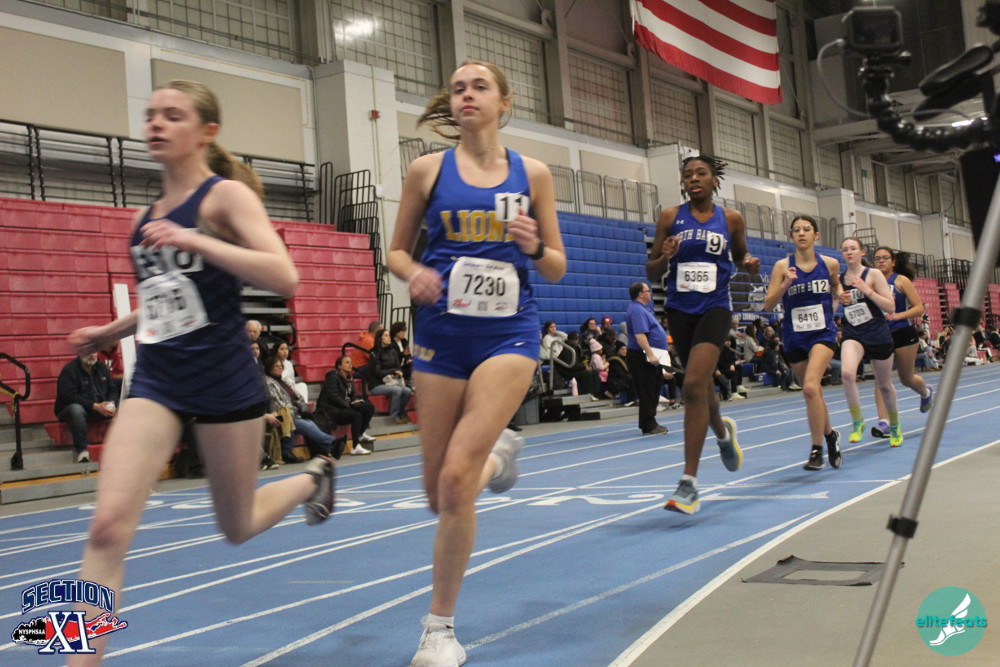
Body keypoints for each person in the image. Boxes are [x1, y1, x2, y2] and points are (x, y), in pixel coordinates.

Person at [64, 80, 334, 666]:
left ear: (207, 132)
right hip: (158, 381)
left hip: (224, 382)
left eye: (173, 115)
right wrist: (110, 332)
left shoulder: (225, 198)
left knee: (236, 526)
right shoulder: (144, 216)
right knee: (106, 528)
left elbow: (283, 276)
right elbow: (166, 297)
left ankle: (312, 477)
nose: (157, 124)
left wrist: (195, 239)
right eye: (151, 115)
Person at [386, 59, 566, 666]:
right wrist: (416, 273)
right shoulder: (427, 170)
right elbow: (395, 252)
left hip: (508, 335)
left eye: (480, 86)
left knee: (456, 481)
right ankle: (500, 455)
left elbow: (556, 266)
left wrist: (533, 246)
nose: (467, 94)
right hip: (441, 336)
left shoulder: (532, 173)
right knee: (439, 494)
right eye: (458, 88)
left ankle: (439, 630)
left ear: (503, 102)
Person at [646, 155, 758, 515]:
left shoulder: (731, 219)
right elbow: (652, 272)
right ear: (683, 183)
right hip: (680, 309)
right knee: (703, 385)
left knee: (693, 383)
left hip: (716, 307)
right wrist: (665, 256)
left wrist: (749, 263)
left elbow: (740, 256)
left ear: (714, 181)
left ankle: (689, 483)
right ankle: (723, 435)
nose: (694, 179)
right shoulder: (669, 217)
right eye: (688, 175)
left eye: (701, 173)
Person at [763, 215, 843, 470]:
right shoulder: (781, 267)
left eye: (806, 229)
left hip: (823, 334)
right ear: (791, 236)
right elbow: (768, 305)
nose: (801, 233)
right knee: (813, 393)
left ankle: (816, 450)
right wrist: (786, 283)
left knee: (809, 387)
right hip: (794, 336)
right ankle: (830, 435)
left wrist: (842, 296)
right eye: (796, 230)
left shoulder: (829, 264)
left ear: (815, 235)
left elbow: (836, 287)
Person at [837, 237, 902, 446]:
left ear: (862, 252)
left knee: (884, 385)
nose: (849, 252)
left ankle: (894, 425)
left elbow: (890, 307)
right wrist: (839, 300)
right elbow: (832, 307)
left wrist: (868, 291)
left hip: (876, 334)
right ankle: (858, 421)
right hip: (853, 333)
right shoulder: (839, 279)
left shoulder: (873, 274)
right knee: (847, 374)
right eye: (845, 249)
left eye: (853, 248)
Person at [870, 247, 933, 438]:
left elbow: (919, 308)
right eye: (877, 259)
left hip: (903, 333)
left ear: (893, 261)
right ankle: (884, 422)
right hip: (881, 335)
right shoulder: (870, 281)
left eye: (885, 258)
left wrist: (898, 315)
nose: (881, 261)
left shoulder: (900, 281)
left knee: (906, 378)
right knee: (881, 380)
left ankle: (925, 393)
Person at [263, 354, 342, 462]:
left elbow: (298, 396)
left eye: (281, 366)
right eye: (277, 366)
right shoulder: (268, 382)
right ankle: (332, 442)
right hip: (281, 414)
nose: (280, 368)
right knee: (304, 423)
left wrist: (302, 407)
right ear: (270, 368)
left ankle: (330, 447)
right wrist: (294, 410)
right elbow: (276, 402)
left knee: (310, 422)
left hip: (293, 413)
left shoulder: (284, 381)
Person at [54, 352, 119, 463]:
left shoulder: (102, 367)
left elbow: (112, 389)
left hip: (99, 408)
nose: (91, 354)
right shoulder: (69, 370)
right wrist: (94, 406)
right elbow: (68, 396)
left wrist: (111, 403)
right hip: (74, 410)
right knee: (76, 410)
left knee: (129, 405)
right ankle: (82, 451)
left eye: (94, 351)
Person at [624, 282, 669, 435]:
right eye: (648, 291)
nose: (650, 293)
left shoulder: (643, 309)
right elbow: (640, 335)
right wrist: (650, 354)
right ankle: (648, 424)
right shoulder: (637, 310)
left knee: (654, 387)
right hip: (642, 356)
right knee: (647, 390)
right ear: (640, 294)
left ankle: (649, 421)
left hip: (650, 354)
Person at [313, 355, 376, 455]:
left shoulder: (350, 378)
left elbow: (353, 395)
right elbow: (333, 397)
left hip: (344, 407)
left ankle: (360, 433)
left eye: (350, 362)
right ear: (339, 366)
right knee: (356, 415)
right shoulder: (332, 377)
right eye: (347, 362)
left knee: (369, 408)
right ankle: (355, 447)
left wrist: (355, 402)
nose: (350, 364)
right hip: (332, 410)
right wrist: (349, 405)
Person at [369, 328, 415, 424]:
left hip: (392, 381)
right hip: (377, 384)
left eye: (389, 335)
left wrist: (399, 372)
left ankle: (400, 413)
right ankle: (393, 417)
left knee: (407, 391)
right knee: (397, 390)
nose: (389, 338)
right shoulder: (374, 353)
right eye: (386, 335)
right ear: (380, 338)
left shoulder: (393, 351)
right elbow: (377, 372)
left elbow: (398, 367)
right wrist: (392, 372)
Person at [272, 340, 309, 405]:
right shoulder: (272, 362)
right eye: (282, 349)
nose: (285, 351)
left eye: (286, 349)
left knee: (302, 385)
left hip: (290, 386)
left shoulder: (289, 364)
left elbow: (292, 380)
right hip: (279, 387)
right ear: (276, 351)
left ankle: (303, 405)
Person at [390, 321, 414, 385]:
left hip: (404, 365)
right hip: (395, 366)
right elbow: (393, 356)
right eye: (402, 331)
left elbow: (408, 353)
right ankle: (409, 382)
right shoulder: (391, 343)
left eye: (404, 331)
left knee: (414, 362)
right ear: (396, 332)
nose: (404, 333)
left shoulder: (404, 341)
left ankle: (411, 381)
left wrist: (409, 358)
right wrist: (403, 354)